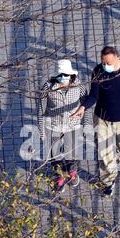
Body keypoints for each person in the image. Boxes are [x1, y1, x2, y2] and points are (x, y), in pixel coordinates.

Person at [70, 46, 120, 197]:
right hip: (102, 119)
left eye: (108, 63)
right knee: (105, 153)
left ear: (117, 58)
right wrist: (83, 107)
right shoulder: (98, 71)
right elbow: (94, 95)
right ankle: (107, 182)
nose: (106, 66)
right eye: (103, 63)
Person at [37, 59, 92, 193]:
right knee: (54, 154)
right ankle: (59, 176)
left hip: (72, 126)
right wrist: (42, 132)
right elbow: (41, 110)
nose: (62, 78)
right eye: (59, 75)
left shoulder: (79, 87)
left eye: (65, 75)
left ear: (71, 75)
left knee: (71, 153)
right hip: (53, 126)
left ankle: (72, 172)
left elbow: (86, 107)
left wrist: (87, 126)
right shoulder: (47, 88)